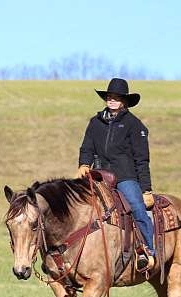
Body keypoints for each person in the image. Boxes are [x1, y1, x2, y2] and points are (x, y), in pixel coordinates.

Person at [76, 78, 155, 271]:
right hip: (97, 175)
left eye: (116, 98)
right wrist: (83, 164)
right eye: (109, 97)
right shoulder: (95, 122)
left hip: (125, 176)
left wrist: (146, 189)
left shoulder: (134, 125)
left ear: (124, 101)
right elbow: (86, 147)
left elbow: (142, 159)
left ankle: (149, 251)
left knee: (136, 207)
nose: (111, 100)